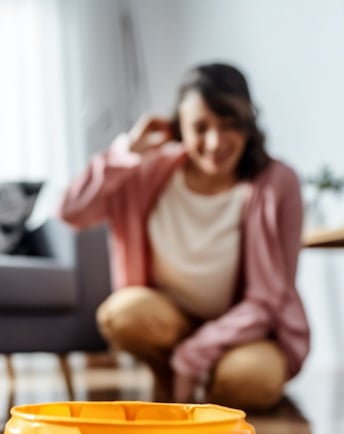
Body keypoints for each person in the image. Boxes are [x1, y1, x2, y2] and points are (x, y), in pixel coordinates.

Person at [60, 63, 309, 410]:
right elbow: (72, 210)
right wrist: (127, 150)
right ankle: (172, 379)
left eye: (228, 125)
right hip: (170, 321)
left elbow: (269, 296)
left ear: (248, 123)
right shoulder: (149, 172)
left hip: (246, 330)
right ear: (179, 128)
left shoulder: (278, 183)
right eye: (200, 127)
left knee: (248, 382)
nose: (214, 142)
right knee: (123, 313)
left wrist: (197, 352)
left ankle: (206, 383)